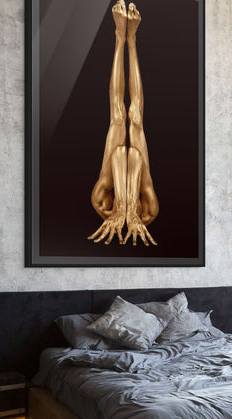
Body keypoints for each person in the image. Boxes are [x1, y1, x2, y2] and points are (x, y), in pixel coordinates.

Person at [88, 0, 159, 247]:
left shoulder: (101, 202)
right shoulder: (149, 211)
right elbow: (136, 158)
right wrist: (129, 203)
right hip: (138, 160)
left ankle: (120, 37)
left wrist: (122, 205)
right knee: (136, 116)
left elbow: (119, 153)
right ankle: (132, 40)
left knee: (118, 114)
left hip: (115, 166)